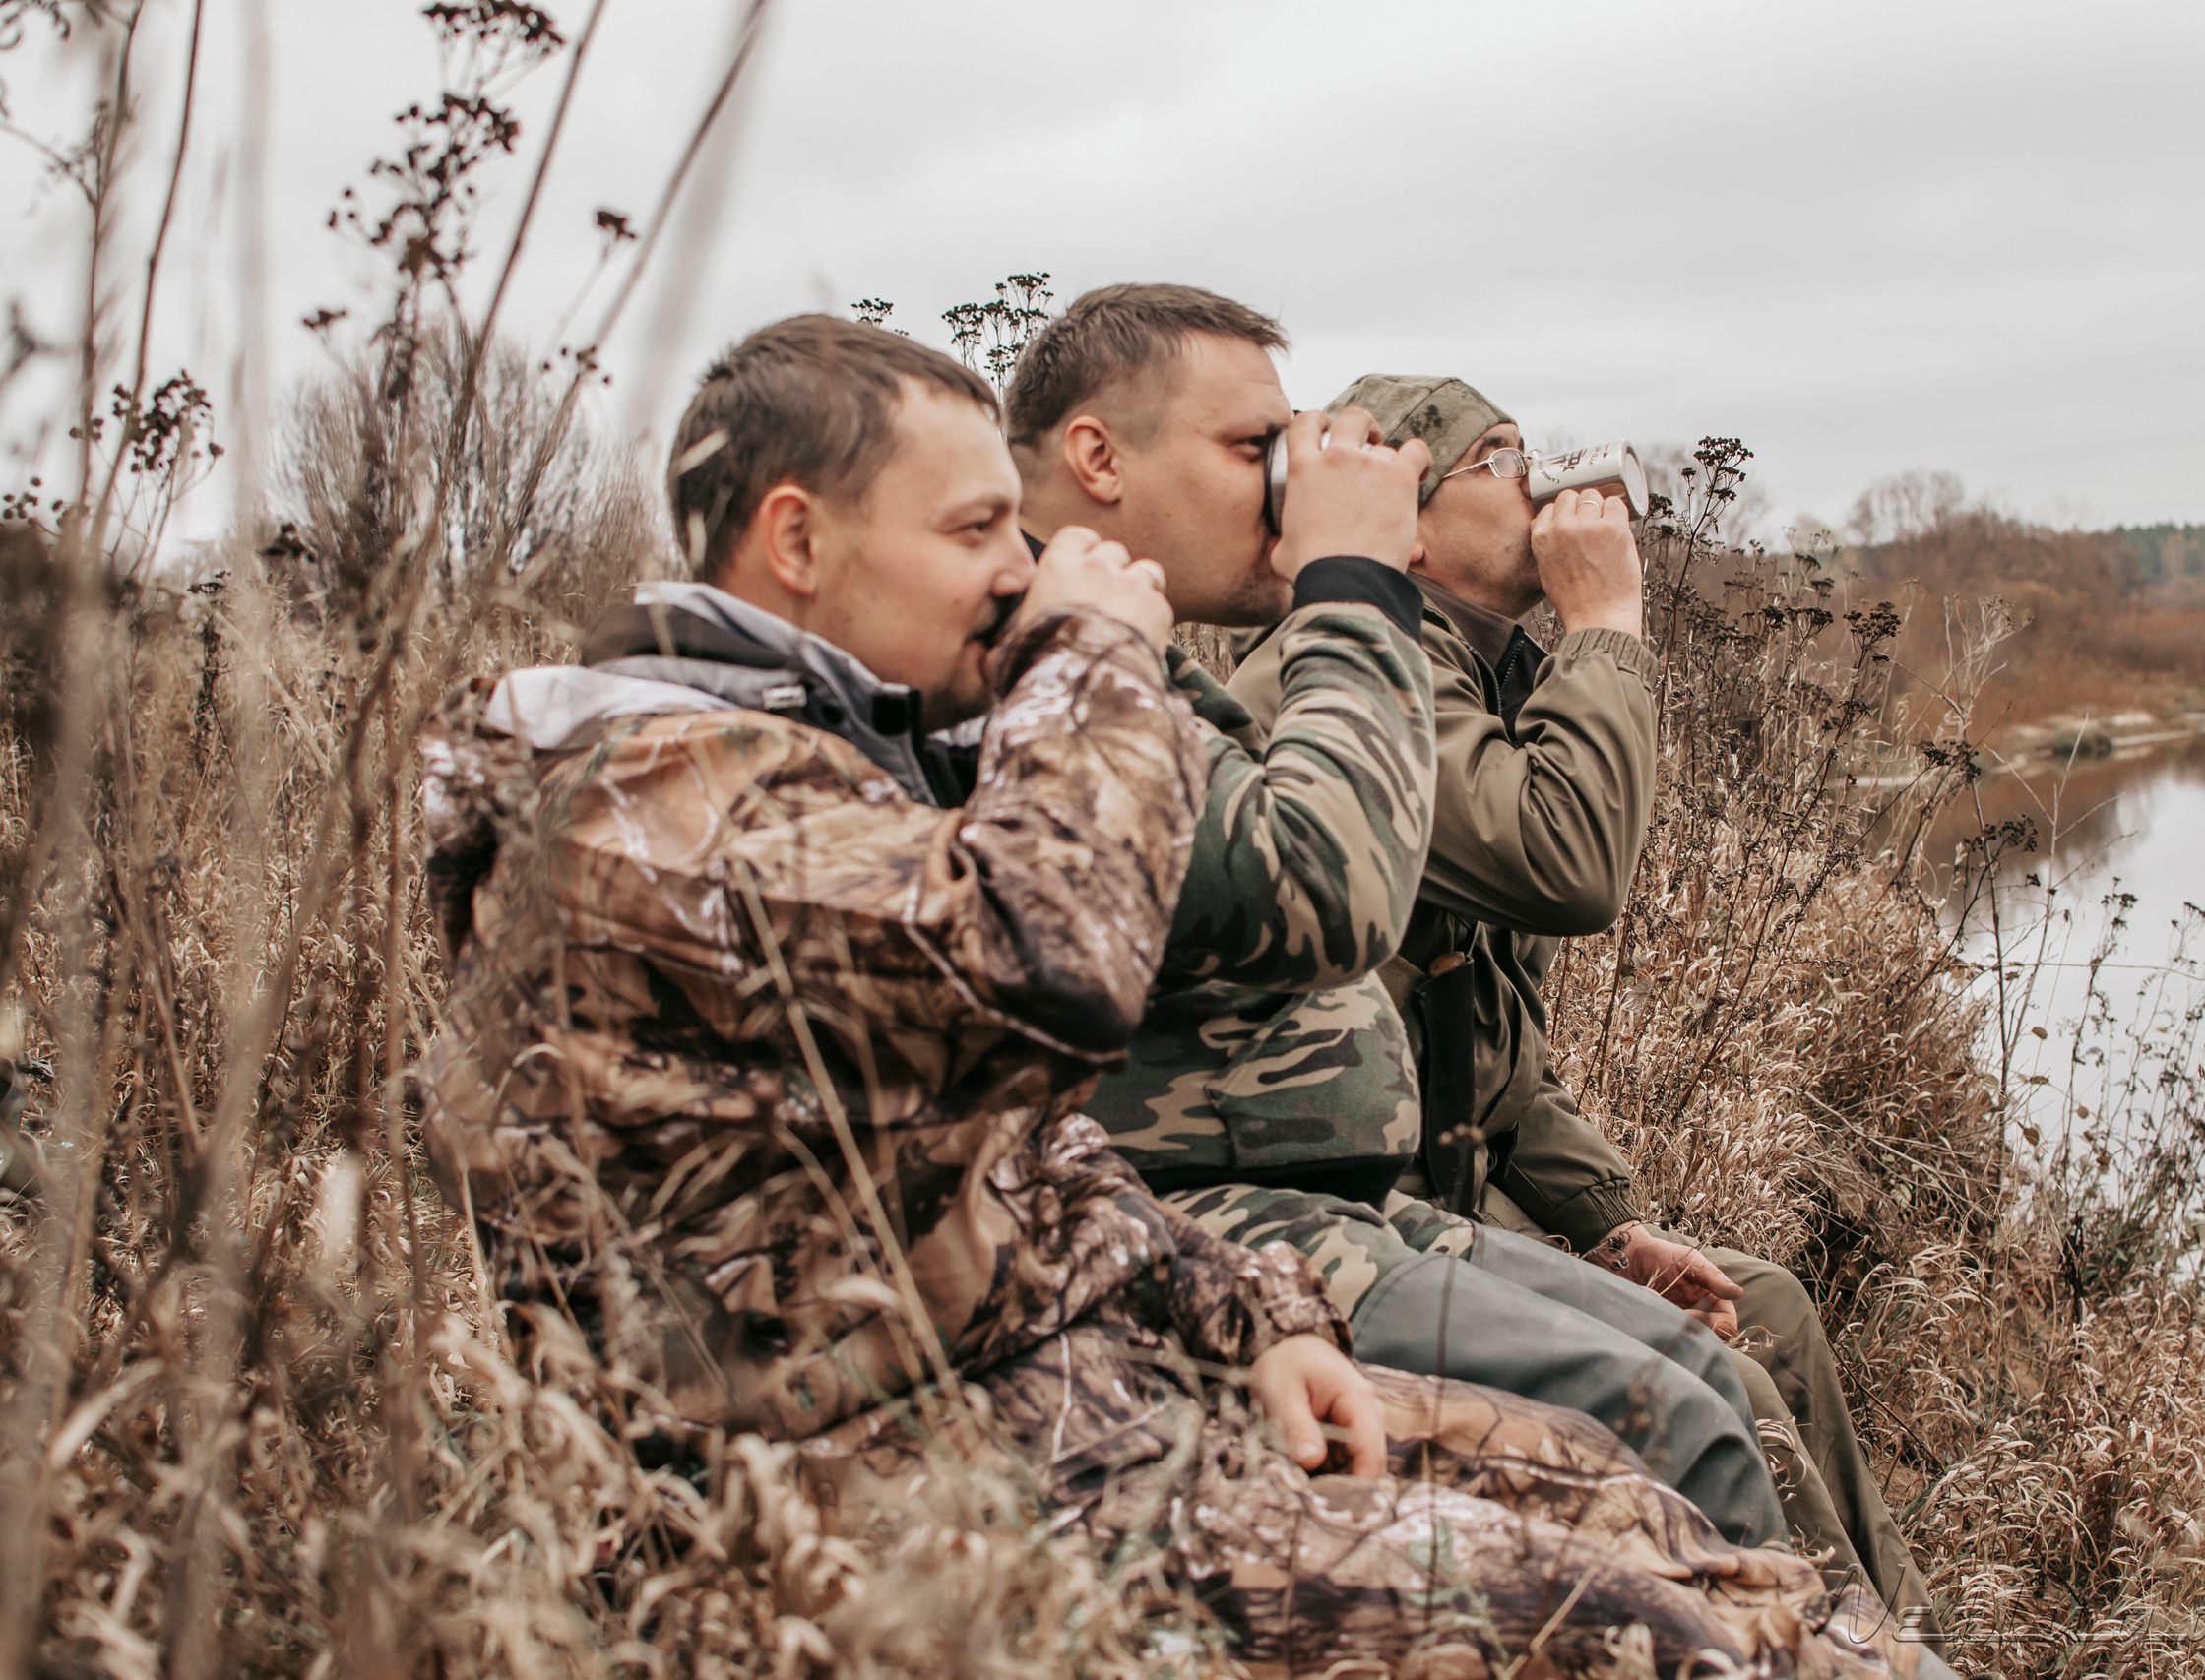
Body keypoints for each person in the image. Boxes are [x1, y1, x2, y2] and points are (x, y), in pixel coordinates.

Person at [413, 315, 1934, 1676]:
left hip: (1056, 1401)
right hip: (881, 1500)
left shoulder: (810, 759)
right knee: (1667, 1616)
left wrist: (1244, 1316)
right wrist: (1111, 645)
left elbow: (1016, 1135)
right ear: (800, 544)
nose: (1019, 571)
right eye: (972, 531)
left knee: (1638, 1514)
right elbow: (1060, 967)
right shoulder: (651, 801)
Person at [1005, 286, 1784, 1551]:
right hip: (1205, 1213)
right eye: (1256, 448)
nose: (1286, 482)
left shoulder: (1140, 656)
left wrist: (1599, 1217)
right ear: (1098, 456)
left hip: (1325, 1196)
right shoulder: (1068, 662)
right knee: (1685, 1417)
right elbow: (1355, 894)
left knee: (1714, 1377)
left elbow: (1483, 1022)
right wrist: (1355, 578)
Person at [1228, 372, 1942, 1640]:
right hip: (1360, 1202)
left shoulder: (1474, 669)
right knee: (1723, 1378)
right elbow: (1567, 861)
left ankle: (1906, 1645)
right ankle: (1811, 1650)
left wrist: (1610, 1222)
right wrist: (1607, 620)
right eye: (1499, 461)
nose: (1543, 484)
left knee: (1761, 1300)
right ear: (1401, 513)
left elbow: (1500, 1044)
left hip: (1452, 1168)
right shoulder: (1351, 679)